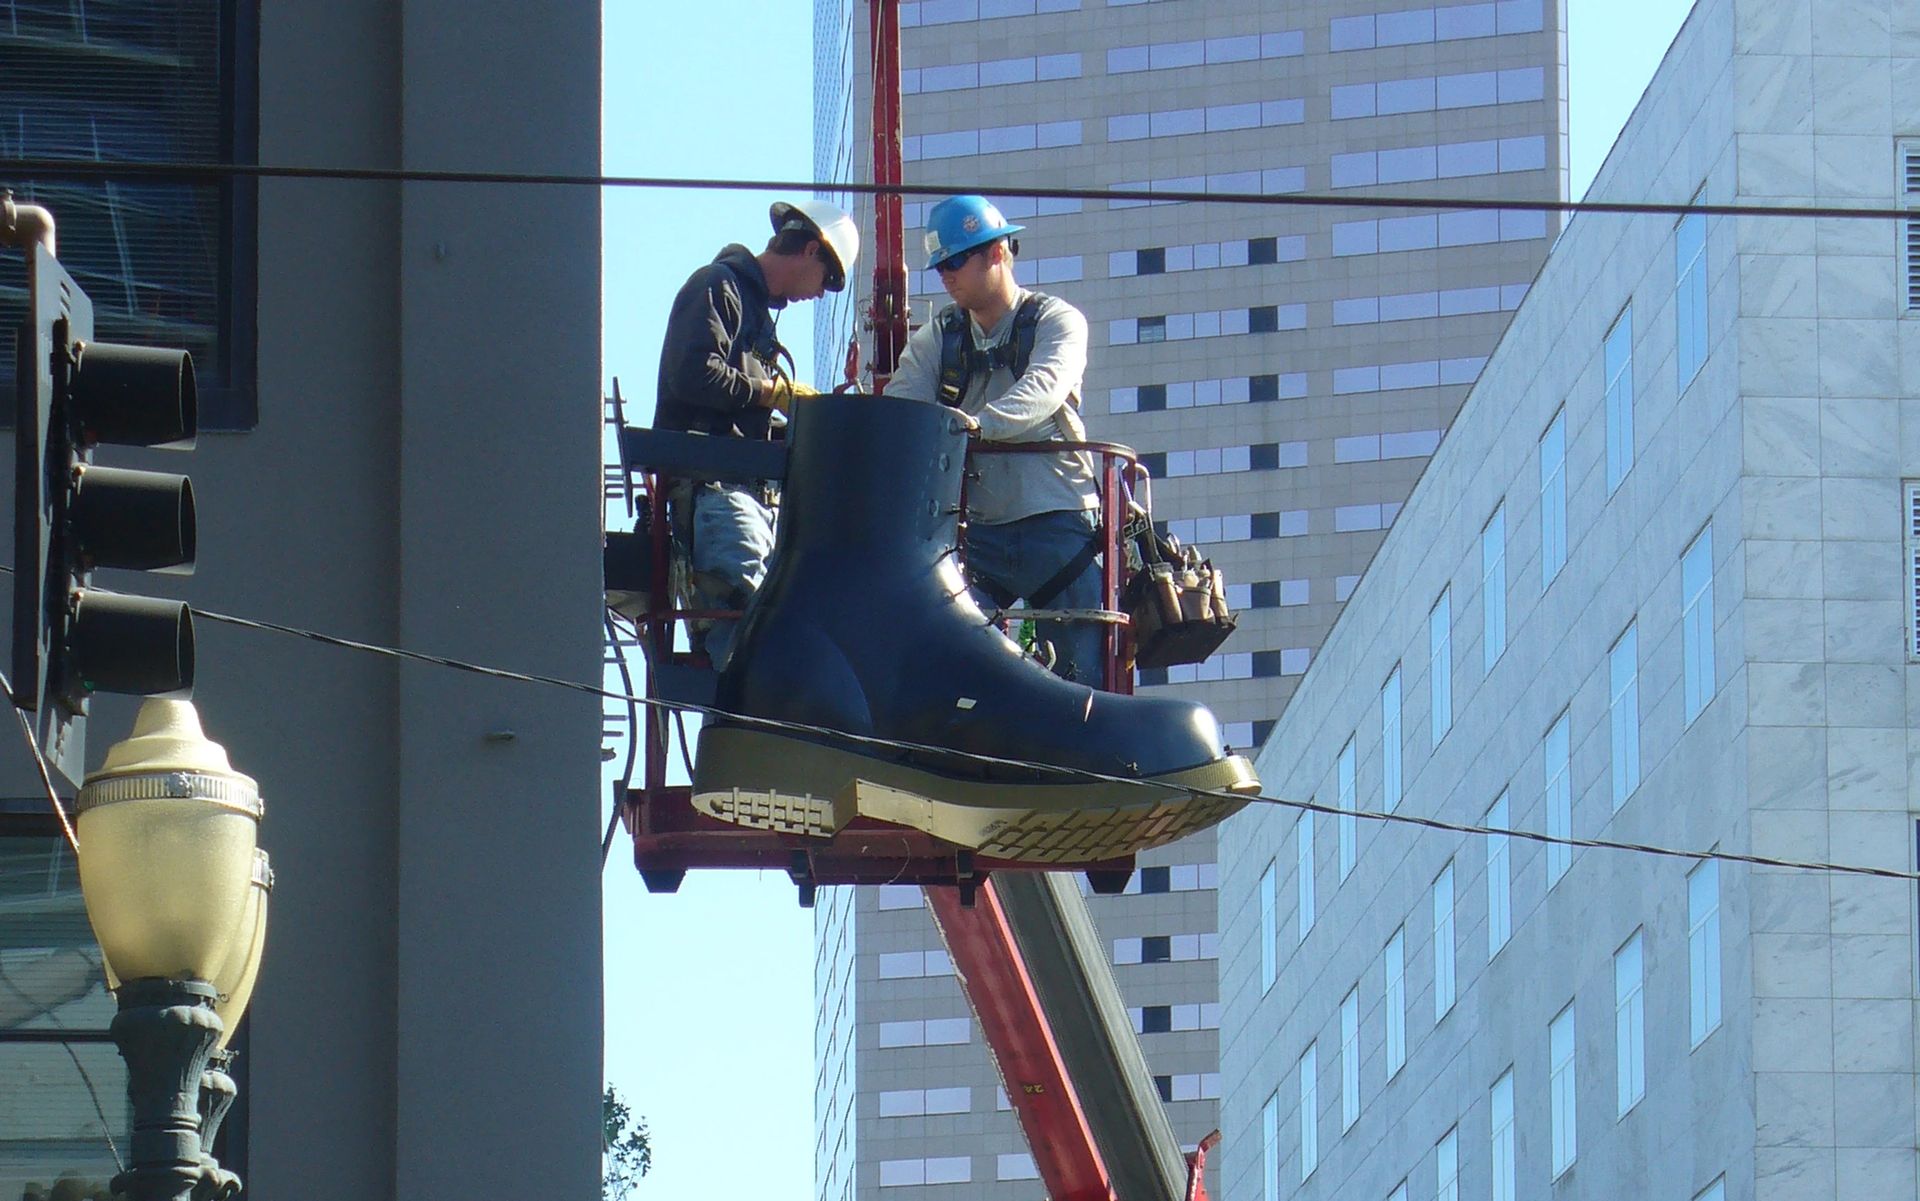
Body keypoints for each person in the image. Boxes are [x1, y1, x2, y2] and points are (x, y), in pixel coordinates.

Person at [883, 195, 1105, 684]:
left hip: (1056, 522)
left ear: (997, 252)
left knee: (1083, 672)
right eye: (941, 265)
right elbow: (903, 412)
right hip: (977, 532)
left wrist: (969, 429)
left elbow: (1041, 391)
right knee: (949, 657)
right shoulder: (939, 339)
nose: (946, 274)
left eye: (957, 260)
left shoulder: (1056, 321)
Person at [653, 198, 859, 667]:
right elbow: (691, 374)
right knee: (740, 620)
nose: (821, 293)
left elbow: (742, 405)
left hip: (745, 491)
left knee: (765, 621)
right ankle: (746, 721)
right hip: (715, 489)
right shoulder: (717, 285)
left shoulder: (754, 314)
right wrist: (772, 393)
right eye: (827, 280)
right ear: (811, 251)